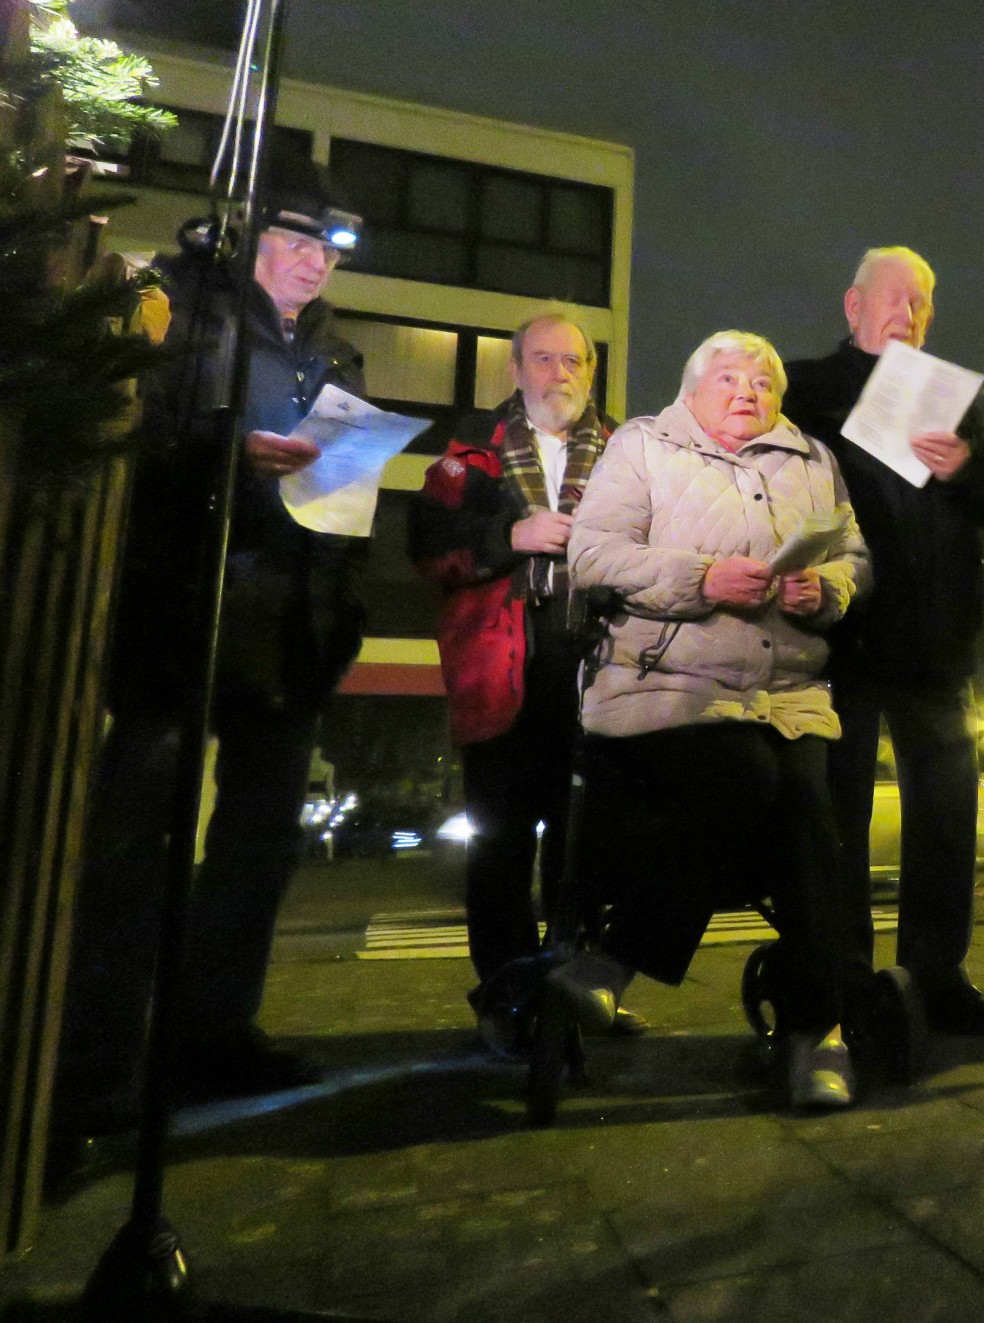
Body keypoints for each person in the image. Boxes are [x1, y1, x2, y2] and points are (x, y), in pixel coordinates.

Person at [56, 164, 368, 1139]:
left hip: (287, 622)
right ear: (250, 235)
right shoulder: (180, 311)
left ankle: (213, 1035)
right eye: (299, 242)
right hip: (184, 602)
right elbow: (121, 437)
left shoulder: (335, 350)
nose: (315, 265)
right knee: (136, 841)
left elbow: (345, 498)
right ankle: (95, 1065)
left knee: (257, 847)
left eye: (327, 251)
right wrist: (222, 457)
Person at [558, 331, 874, 1108]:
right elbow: (592, 555)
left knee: (808, 811)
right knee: (749, 777)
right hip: (665, 683)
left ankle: (807, 1030)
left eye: (764, 379)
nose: (749, 390)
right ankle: (803, 1028)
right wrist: (701, 578)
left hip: (784, 694)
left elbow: (856, 555)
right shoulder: (643, 447)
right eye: (730, 377)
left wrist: (827, 589)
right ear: (692, 389)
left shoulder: (811, 458)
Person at [784, 247, 984, 1037]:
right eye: (893, 298)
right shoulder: (805, 390)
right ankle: (844, 970)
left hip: (936, 643)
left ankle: (937, 970)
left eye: (922, 301)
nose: (908, 312)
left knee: (947, 816)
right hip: (843, 642)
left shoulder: (953, 401)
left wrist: (966, 465)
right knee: (839, 815)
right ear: (852, 307)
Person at [408, 313, 641, 1053]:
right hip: (504, 667)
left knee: (588, 849)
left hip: (598, 669)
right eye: (543, 358)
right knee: (502, 848)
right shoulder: (468, 453)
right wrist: (507, 538)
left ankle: (575, 992)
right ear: (516, 369)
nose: (559, 372)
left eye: (573, 360)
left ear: (591, 371)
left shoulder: (627, 452)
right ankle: (509, 998)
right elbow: (424, 549)